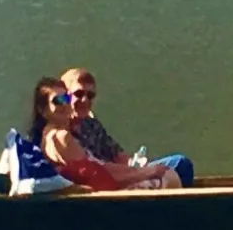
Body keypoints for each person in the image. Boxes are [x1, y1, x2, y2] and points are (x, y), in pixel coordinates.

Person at [32, 77, 181, 191]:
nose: (64, 104)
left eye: (66, 98)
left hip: (105, 189)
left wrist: (139, 170)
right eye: (57, 101)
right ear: (43, 109)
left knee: (171, 171)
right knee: (172, 174)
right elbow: (98, 175)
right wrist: (147, 173)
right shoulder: (60, 138)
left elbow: (104, 164)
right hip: (106, 197)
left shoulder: (57, 133)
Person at [60, 66, 194, 187]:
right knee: (178, 168)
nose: (85, 100)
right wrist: (141, 173)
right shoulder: (62, 134)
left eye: (90, 96)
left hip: (124, 173)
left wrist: (137, 165)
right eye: (78, 94)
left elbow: (117, 153)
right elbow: (96, 169)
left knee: (180, 164)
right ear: (65, 96)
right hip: (106, 182)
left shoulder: (91, 124)